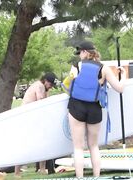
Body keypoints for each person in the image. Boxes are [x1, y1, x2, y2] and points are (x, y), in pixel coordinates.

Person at [67, 40, 127, 178]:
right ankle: (96, 177)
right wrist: (122, 75)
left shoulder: (76, 66)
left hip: (76, 106)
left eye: (80, 52)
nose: (79, 55)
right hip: (94, 108)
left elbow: (69, 85)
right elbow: (119, 88)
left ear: (85, 52)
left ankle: (80, 177)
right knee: (93, 146)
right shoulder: (103, 68)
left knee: (78, 147)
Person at [14, 72, 58, 178]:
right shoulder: (39, 86)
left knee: (43, 142)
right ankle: (17, 172)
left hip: (35, 117)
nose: (51, 87)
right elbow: (41, 102)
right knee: (25, 144)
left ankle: (42, 169)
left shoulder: (44, 88)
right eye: (50, 84)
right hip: (28, 117)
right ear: (46, 81)